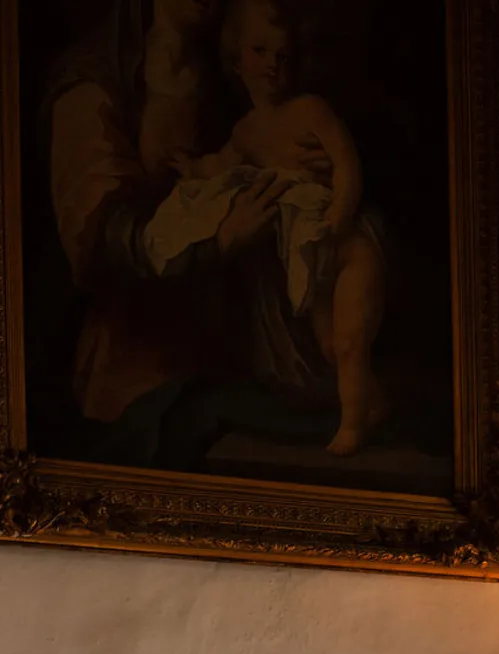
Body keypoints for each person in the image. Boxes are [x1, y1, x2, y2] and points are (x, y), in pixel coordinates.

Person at [152, 0, 386, 454]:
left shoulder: (310, 110)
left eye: (283, 55)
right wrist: (191, 169)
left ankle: (352, 429)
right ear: (236, 61)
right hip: (310, 256)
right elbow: (220, 166)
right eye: (261, 52)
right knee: (331, 345)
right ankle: (373, 403)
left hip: (347, 245)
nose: (273, 65)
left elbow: (346, 163)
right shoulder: (246, 132)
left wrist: (339, 214)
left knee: (350, 339)